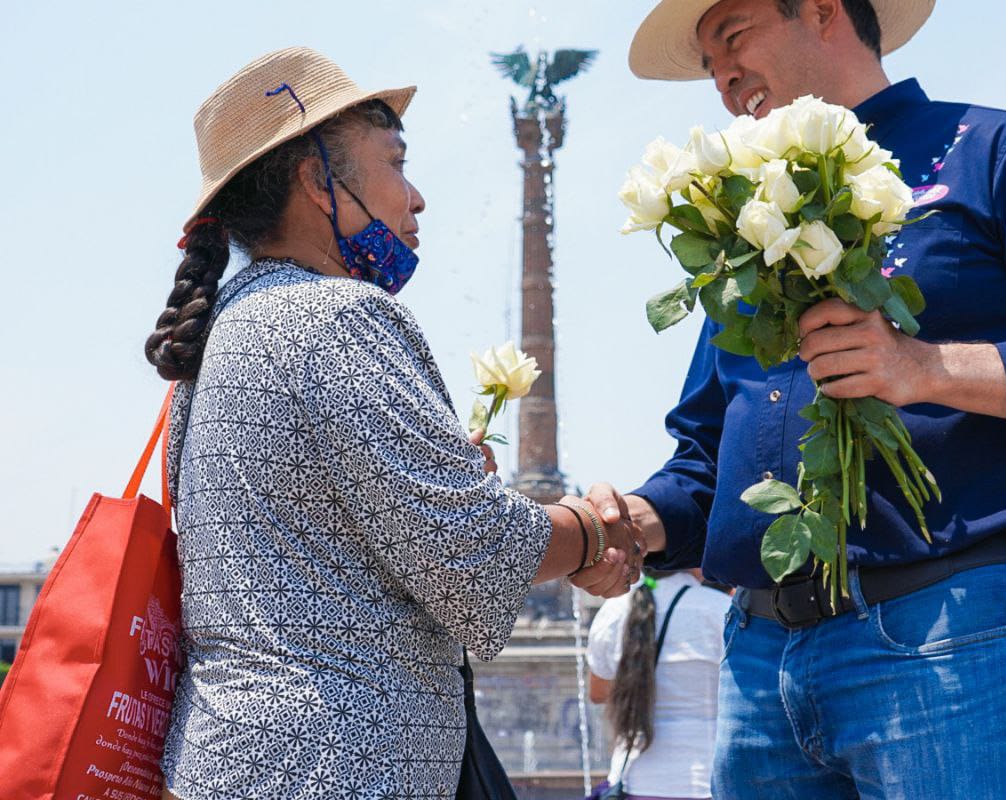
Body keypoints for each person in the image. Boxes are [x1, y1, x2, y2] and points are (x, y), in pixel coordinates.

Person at [604, 0, 1006, 799]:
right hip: (760, 661)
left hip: (954, 635)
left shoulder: (1002, 155)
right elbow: (708, 455)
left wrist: (925, 370)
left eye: (733, 39)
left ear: (825, 7)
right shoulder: (739, 230)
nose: (721, 82)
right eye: (708, 63)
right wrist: (632, 526)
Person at [146, 47, 643, 800]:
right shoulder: (337, 316)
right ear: (319, 181)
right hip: (334, 763)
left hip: (232, 760)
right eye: (396, 164)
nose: (416, 199)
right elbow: (469, 557)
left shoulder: (227, 329)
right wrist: (594, 528)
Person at [586, 569, 732, 800]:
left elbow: (597, 692)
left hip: (633, 780)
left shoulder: (614, 610)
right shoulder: (722, 610)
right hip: (705, 780)